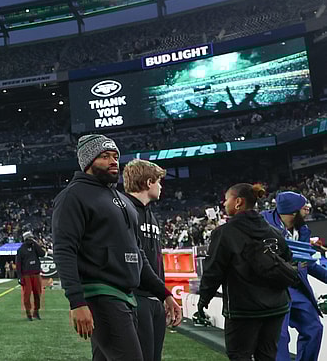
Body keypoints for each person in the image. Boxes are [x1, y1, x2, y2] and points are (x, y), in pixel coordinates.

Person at [52, 135, 181, 360]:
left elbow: (138, 254)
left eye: (115, 156)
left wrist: (164, 293)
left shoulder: (121, 199)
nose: (113, 161)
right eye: (104, 156)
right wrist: (77, 302)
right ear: (88, 161)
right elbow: (64, 250)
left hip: (126, 296)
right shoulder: (73, 196)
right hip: (101, 295)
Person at [198, 183, 293, 361]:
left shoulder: (225, 233)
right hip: (276, 307)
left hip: (244, 310)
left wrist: (203, 299)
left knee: (239, 356)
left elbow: (213, 272)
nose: (223, 204)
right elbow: (287, 258)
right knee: (267, 356)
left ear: (238, 202)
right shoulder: (273, 231)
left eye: (226, 200)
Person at [261, 191, 327, 361]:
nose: (307, 211)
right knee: (280, 335)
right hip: (273, 288)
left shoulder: (302, 230)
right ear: (293, 212)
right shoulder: (262, 224)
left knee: (313, 328)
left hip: (296, 287)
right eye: (304, 208)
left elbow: (309, 262)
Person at [123, 159, 172, 361]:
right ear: (149, 181)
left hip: (154, 298)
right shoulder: (124, 211)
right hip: (134, 298)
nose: (160, 186)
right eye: (159, 181)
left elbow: (155, 259)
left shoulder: (151, 214)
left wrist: (163, 295)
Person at [16, 231, 46, 321]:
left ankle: (36, 312)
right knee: (27, 295)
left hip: (35, 273)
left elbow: (42, 253)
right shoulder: (21, 249)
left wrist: (35, 244)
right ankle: (28, 313)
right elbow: (18, 264)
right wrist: (20, 277)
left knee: (37, 293)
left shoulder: (34, 247)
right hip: (26, 275)